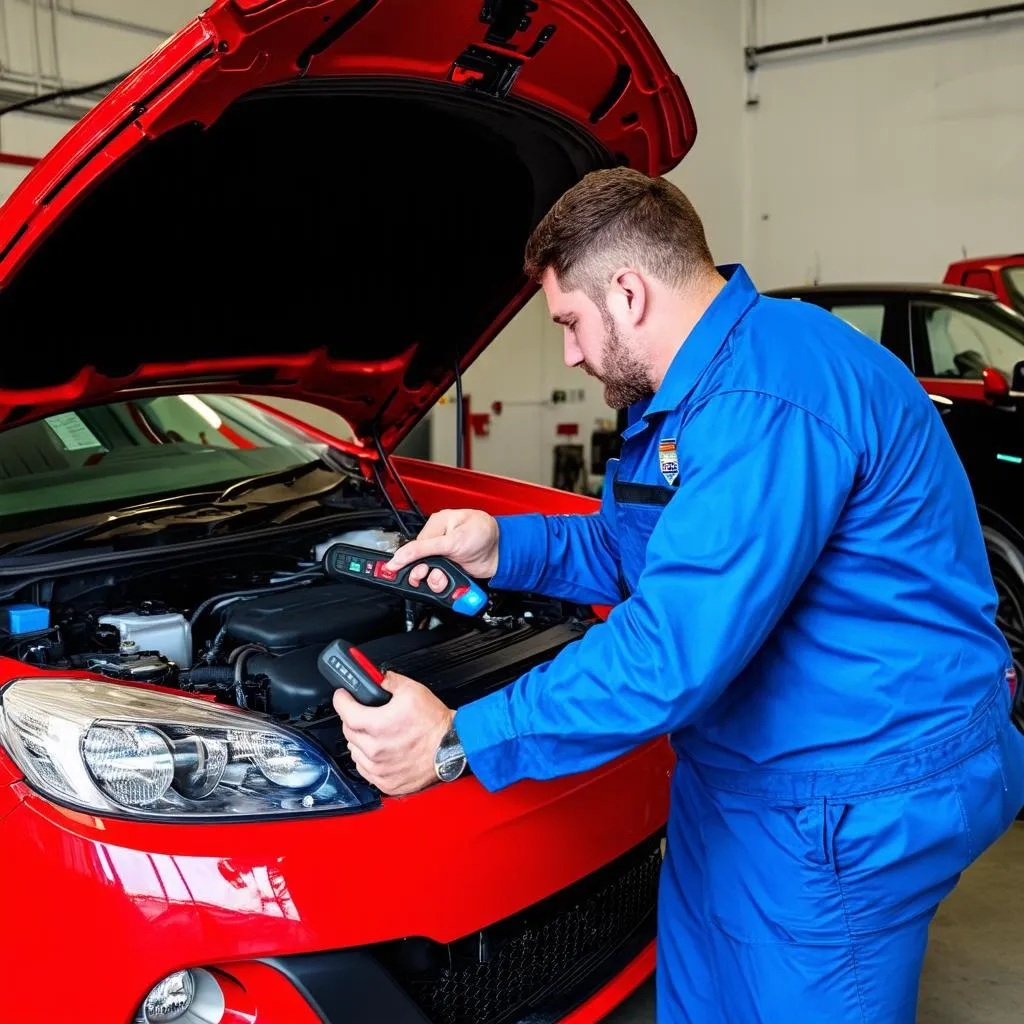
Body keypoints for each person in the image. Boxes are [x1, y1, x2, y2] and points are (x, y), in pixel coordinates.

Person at [333, 167, 1024, 1023]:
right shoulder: (692, 393)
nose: (571, 353)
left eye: (569, 323)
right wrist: (504, 544)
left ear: (626, 292)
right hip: (741, 772)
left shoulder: (766, 397)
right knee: (697, 998)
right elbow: (639, 552)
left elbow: (669, 654)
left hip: (848, 792)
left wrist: (456, 739)